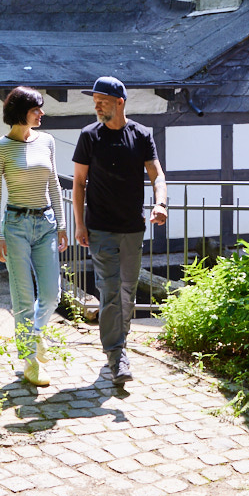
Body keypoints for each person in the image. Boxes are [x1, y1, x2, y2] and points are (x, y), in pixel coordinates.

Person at [71, 75, 168, 385]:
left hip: (132, 229)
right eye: (95, 102)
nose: (97, 106)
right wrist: (79, 223)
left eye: (102, 101)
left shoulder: (141, 135)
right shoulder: (89, 136)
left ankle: (120, 342)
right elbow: (78, 183)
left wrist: (160, 203)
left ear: (120, 102)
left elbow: (157, 175)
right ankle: (116, 355)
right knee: (110, 290)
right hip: (100, 228)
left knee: (127, 290)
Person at [0, 86, 66, 387]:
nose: (42, 113)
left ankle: (34, 334)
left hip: (45, 224)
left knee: (51, 294)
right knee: (24, 297)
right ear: (21, 113)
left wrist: (61, 225)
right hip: (15, 226)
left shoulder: (46, 141)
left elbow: (54, 184)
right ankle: (30, 362)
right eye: (36, 109)